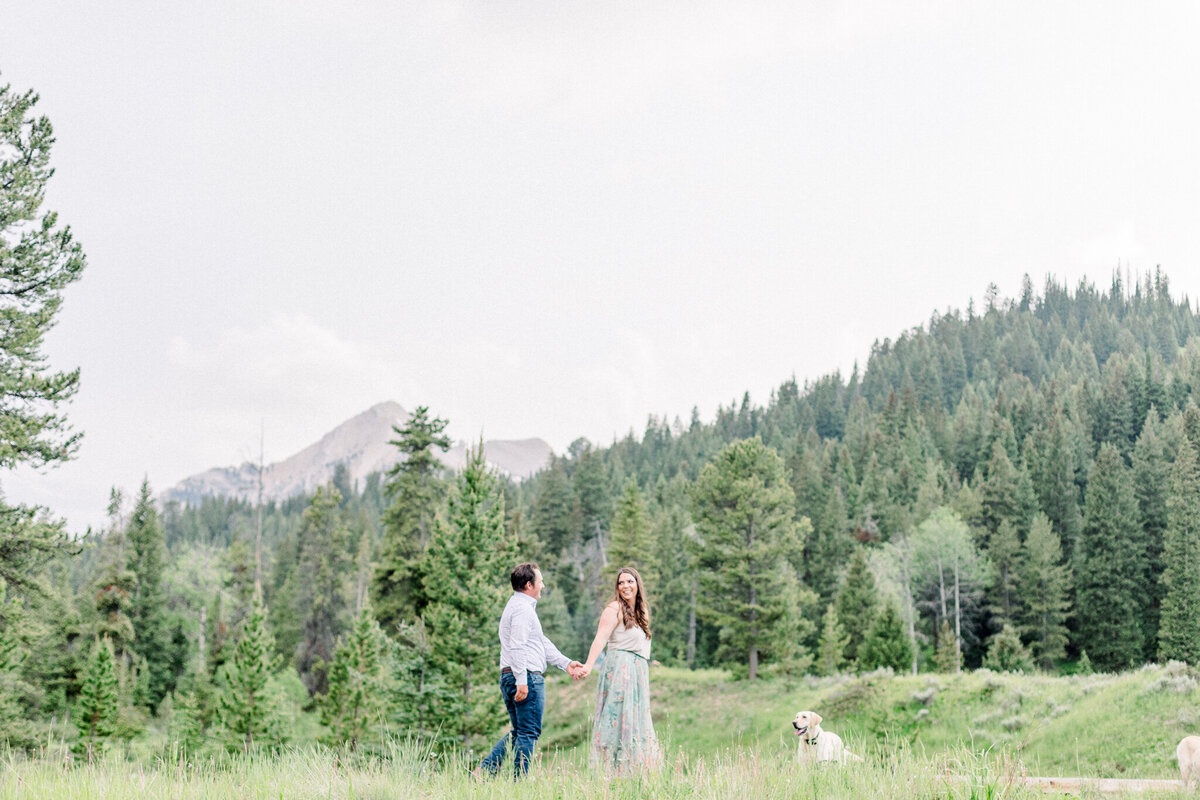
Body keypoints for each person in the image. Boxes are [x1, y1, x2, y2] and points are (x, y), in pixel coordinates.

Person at [477, 562, 584, 779]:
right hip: (524, 676)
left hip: (513, 674)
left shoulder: (519, 607)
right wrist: (522, 681)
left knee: (520, 732)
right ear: (529, 585)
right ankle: (519, 783)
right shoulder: (522, 610)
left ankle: (485, 771)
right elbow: (517, 645)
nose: (543, 585)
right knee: (528, 733)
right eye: (540, 581)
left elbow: (539, 643)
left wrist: (565, 663)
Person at [580, 567, 663, 776]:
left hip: (638, 672)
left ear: (637, 584)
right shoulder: (614, 608)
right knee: (616, 718)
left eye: (629, 581)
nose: (625, 586)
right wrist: (589, 665)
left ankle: (634, 772)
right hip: (620, 670)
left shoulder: (641, 611)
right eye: (621, 583)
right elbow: (600, 638)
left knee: (636, 720)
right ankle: (610, 772)